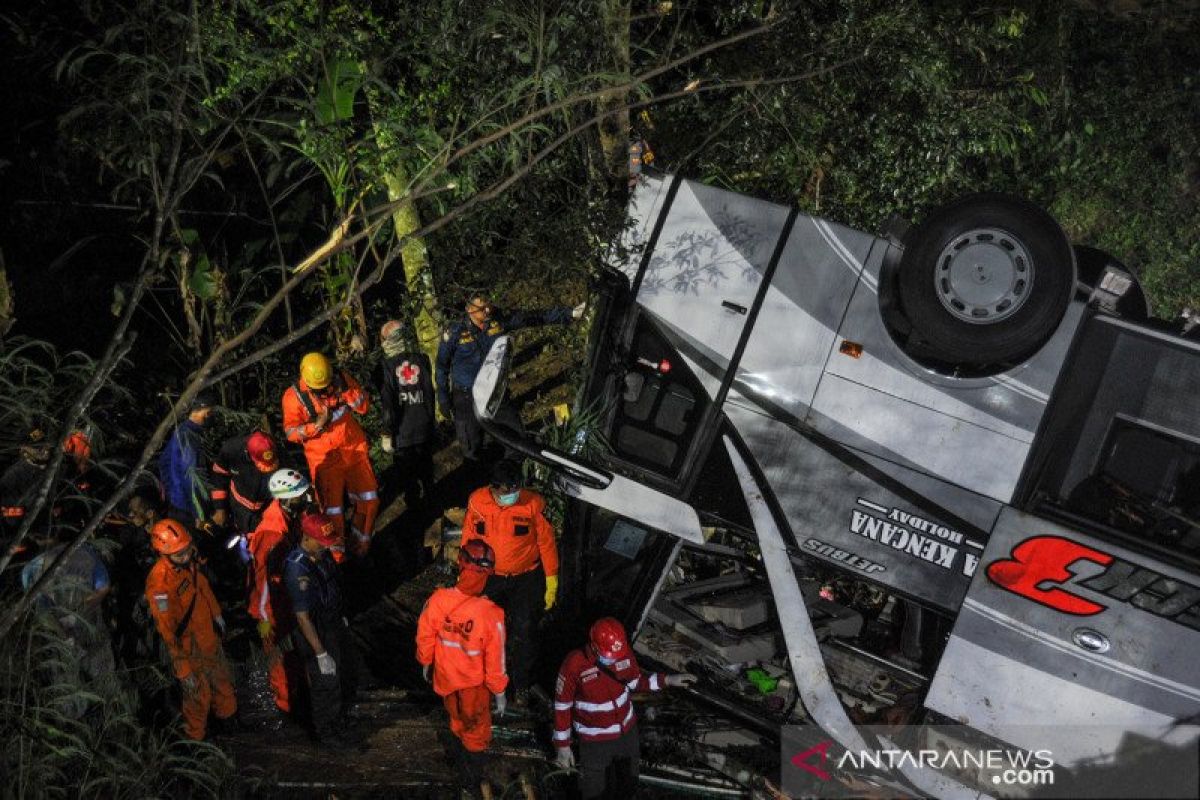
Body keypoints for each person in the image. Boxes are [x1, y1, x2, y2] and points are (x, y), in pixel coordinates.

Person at [553, 617, 697, 799]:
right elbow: (562, 705)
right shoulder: (575, 664)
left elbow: (637, 681)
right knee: (594, 792)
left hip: (627, 735)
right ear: (594, 646)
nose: (613, 660)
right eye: (608, 656)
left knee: (628, 786)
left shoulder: (623, 653)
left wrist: (667, 680)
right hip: (595, 742)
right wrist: (563, 746)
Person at [436, 293, 585, 461]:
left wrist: (569, 313)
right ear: (469, 309)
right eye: (481, 308)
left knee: (515, 436)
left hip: (494, 392)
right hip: (465, 395)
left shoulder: (498, 321)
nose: (487, 310)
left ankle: (513, 470)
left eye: (488, 305)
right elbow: (442, 366)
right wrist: (443, 398)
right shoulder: (455, 331)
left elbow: (531, 318)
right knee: (471, 446)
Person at [460, 459, 558, 704]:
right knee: (489, 631)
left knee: (526, 630)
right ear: (493, 488)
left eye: (516, 489)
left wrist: (551, 579)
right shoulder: (477, 501)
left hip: (525, 577)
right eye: (507, 491)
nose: (513, 495)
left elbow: (547, 542)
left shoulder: (533, 504)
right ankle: (490, 680)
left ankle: (523, 683)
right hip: (490, 577)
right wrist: (466, 574)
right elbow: (469, 537)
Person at [415, 539, 507, 799]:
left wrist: (426, 661)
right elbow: (495, 659)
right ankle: (472, 780)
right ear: (487, 573)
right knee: (476, 734)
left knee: (456, 723)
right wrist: (499, 690)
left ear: (461, 564)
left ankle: (463, 771)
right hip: (473, 688)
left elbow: (425, 635)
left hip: (445, 679)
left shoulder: (439, 599)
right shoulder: (491, 614)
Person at [144, 518, 238, 740]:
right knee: (198, 697)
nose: (186, 557)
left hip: (208, 637)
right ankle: (195, 743)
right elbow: (167, 631)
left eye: (187, 550)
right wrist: (183, 670)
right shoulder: (160, 584)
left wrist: (216, 614)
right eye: (180, 554)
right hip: (188, 648)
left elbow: (201, 587)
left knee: (222, 681)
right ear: (162, 554)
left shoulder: (187, 561)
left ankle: (229, 723)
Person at [282, 353, 379, 558]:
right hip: (323, 459)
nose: (325, 390)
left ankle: (361, 546)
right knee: (332, 512)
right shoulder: (294, 397)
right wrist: (316, 425)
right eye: (319, 389)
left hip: (353, 450)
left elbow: (363, 407)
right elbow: (291, 433)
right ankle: (337, 558)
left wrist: (348, 393)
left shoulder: (342, 380)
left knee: (369, 500)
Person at [283, 511, 359, 745]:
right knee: (326, 682)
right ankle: (326, 732)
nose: (326, 547)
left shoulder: (320, 555)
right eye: (322, 542)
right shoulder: (298, 569)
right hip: (314, 630)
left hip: (331, 621)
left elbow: (332, 587)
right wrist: (320, 652)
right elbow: (303, 617)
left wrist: (340, 616)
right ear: (307, 538)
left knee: (345, 673)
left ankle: (338, 719)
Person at [21, 526, 116, 706]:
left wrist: (63, 635)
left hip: (58, 633)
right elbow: (103, 587)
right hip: (89, 623)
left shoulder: (30, 570)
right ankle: (109, 709)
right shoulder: (86, 553)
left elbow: (43, 611)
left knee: (67, 680)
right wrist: (82, 612)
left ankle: (75, 718)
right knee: (102, 672)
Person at [247, 468, 313, 717]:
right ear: (286, 499)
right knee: (279, 657)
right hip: (272, 606)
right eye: (300, 495)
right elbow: (261, 579)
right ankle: (285, 705)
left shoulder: (288, 520)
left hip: (285, 598)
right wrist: (265, 617)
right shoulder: (271, 534)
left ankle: (295, 694)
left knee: (293, 652)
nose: (305, 498)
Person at [376, 319, 436, 508]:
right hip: (424, 426)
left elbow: (388, 406)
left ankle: (415, 517)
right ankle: (433, 507)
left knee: (408, 479)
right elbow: (429, 394)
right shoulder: (422, 359)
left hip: (403, 432)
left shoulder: (385, 367)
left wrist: (387, 432)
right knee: (427, 473)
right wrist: (431, 421)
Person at [158, 391, 218, 527]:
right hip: (189, 510)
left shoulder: (181, 429)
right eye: (210, 412)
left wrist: (170, 492)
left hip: (176, 503)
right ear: (205, 412)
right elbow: (192, 477)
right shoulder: (190, 438)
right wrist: (199, 514)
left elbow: (163, 462)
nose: (211, 415)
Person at [211, 430, 280, 545]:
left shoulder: (276, 452)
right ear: (249, 453)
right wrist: (220, 508)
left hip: (267, 507)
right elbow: (219, 476)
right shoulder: (231, 450)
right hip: (239, 507)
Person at [0, 426, 56, 553]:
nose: (43, 450)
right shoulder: (14, 476)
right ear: (24, 450)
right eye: (37, 447)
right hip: (24, 537)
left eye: (45, 446)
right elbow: (10, 515)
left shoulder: (51, 469)